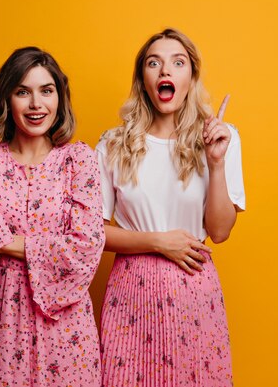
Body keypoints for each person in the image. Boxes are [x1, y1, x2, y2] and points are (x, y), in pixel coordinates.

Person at [96, 29, 245, 387]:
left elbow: (221, 232)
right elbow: (95, 233)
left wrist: (216, 162)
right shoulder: (113, 144)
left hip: (194, 292)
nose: (166, 70)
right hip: (130, 295)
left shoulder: (222, 137)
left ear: (190, 77)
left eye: (178, 62)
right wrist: (159, 242)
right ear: (143, 79)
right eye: (154, 63)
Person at [0, 47, 105, 387]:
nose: (36, 104)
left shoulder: (78, 160)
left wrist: (1, 242)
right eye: (23, 91)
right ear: (7, 98)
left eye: (46, 91)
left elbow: (86, 248)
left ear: (59, 99)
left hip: (65, 324)